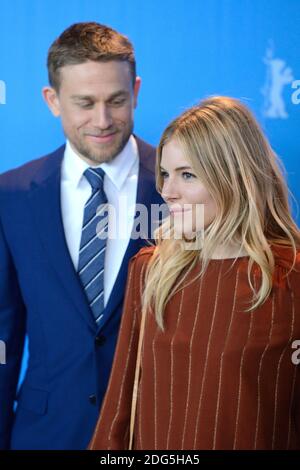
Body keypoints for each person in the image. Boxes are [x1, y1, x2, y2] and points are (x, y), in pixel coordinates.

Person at [89, 96, 300, 450]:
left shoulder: (291, 276)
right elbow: (119, 409)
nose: (168, 192)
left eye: (187, 175)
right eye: (166, 175)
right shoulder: (150, 269)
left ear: (235, 176)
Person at [0, 22, 163, 450]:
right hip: (45, 435)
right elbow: (3, 333)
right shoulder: (11, 195)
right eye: (84, 103)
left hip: (154, 434)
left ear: (137, 91)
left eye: (117, 101)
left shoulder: (181, 185)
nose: (103, 120)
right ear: (52, 100)